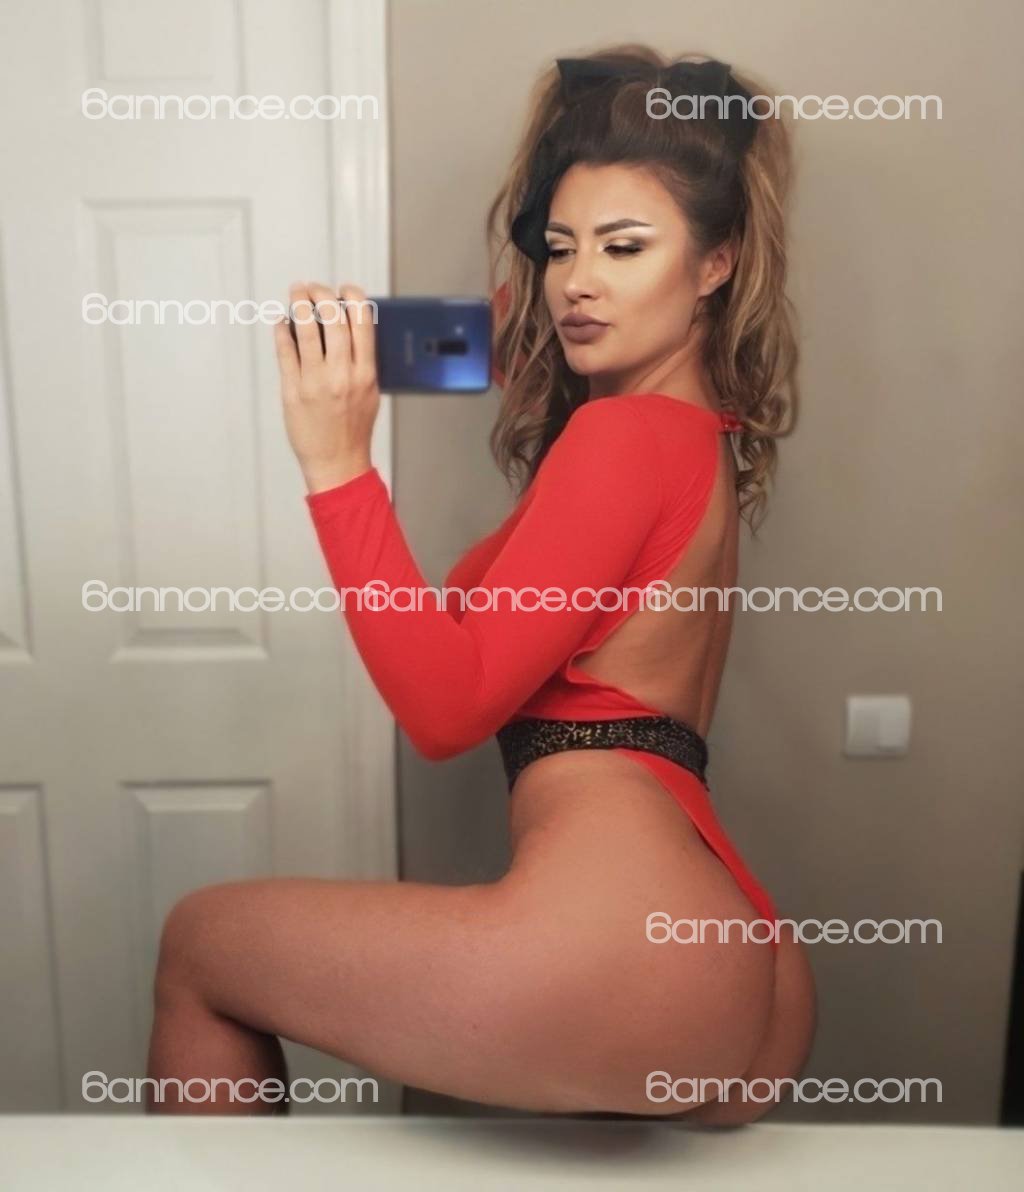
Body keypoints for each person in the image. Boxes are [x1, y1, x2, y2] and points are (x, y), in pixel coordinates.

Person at [146, 45, 816, 1123]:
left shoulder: (620, 441)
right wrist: (429, 338)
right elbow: (522, 343)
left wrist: (337, 464)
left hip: (620, 951)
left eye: (625, 247)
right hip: (723, 954)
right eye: (560, 249)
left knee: (199, 942)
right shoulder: (697, 434)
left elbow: (446, 708)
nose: (579, 280)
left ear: (714, 263)